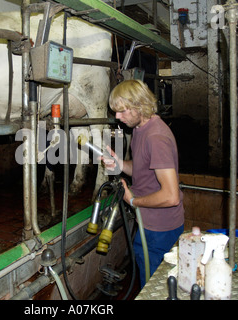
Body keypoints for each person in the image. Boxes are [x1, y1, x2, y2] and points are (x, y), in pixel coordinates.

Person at [101, 79, 184, 288]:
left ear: (139, 105)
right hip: (149, 223)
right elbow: (141, 169)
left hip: (160, 230)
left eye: (122, 111)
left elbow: (171, 196)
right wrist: (119, 164)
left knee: (154, 288)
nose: (118, 117)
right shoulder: (140, 129)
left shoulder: (156, 137)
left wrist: (134, 200)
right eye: (115, 112)